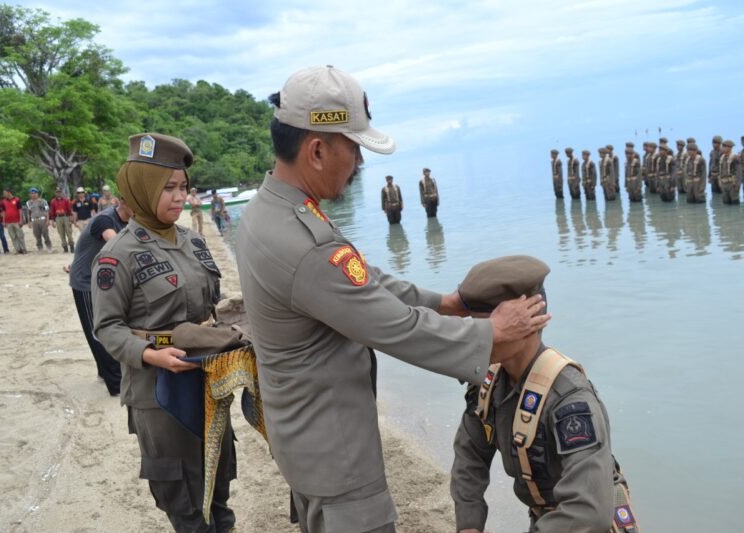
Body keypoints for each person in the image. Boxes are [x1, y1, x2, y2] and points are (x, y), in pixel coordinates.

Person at [235, 65, 550, 533]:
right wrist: (494, 333)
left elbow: (361, 280)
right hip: (337, 455)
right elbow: (398, 329)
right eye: (355, 149)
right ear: (317, 150)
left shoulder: (270, 210)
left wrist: (446, 302)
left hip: (301, 436)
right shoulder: (305, 242)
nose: (360, 163)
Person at [92, 133, 236, 533]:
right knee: (186, 500)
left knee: (218, 484)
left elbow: (210, 307)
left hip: (206, 377)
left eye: (183, 187)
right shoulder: (116, 255)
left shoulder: (193, 241)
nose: (178, 196)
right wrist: (150, 355)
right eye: (168, 188)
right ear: (141, 190)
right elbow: (107, 327)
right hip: (158, 389)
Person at [450, 256, 637, 533]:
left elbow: (588, 511)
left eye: (487, 328)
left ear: (526, 321)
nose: (474, 339)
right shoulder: (488, 384)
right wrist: (469, 524)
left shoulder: (569, 400)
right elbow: (470, 456)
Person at [70, 200, 132, 396]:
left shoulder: (128, 221)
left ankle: (104, 372)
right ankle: (116, 384)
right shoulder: (104, 220)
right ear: (123, 202)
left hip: (103, 280)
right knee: (98, 332)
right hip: (86, 283)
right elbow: (118, 245)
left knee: (109, 326)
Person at [2, 188, 27, 254]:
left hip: (16, 221)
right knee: (13, 236)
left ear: (9, 192)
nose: (4, 194)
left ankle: (23, 249)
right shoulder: (4, 201)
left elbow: (20, 210)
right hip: (8, 222)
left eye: (5, 193)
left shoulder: (17, 200)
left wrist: (21, 220)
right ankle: (17, 249)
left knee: (20, 235)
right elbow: (4, 212)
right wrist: (4, 221)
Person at [27, 187, 53, 252]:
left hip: (42, 220)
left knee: (45, 233)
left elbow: (47, 211)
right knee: (37, 234)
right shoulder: (28, 203)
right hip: (34, 220)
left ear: (37, 194)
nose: (33, 195)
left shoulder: (43, 201)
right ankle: (40, 247)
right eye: (31, 193)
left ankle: (49, 246)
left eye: (35, 193)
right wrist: (29, 222)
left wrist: (47, 220)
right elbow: (28, 213)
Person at [50, 187, 74, 253]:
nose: (58, 193)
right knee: (61, 233)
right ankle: (65, 247)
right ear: (55, 193)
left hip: (65, 216)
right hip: (58, 217)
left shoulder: (66, 200)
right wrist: (52, 221)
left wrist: (71, 219)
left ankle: (72, 246)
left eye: (59, 192)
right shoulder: (53, 201)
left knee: (69, 232)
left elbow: (69, 210)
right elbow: (52, 211)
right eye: (57, 192)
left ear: (61, 193)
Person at [718, 139, 741, 205]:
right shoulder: (722, 157)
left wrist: (737, 185)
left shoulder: (735, 157)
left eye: (725, 147)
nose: (723, 148)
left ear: (729, 148)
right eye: (723, 146)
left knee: (734, 202)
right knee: (726, 202)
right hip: (724, 183)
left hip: (732, 184)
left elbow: (738, 172)